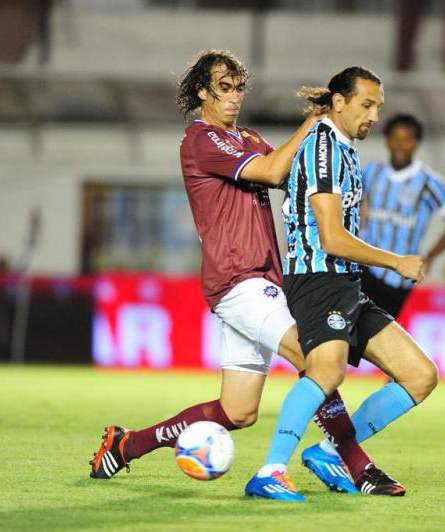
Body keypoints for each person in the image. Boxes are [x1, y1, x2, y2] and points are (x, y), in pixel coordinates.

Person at [89, 50, 384, 496]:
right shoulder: (201, 140)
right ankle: (355, 465)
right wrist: (313, 120)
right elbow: (270, 170)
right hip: (239, 280)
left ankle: (127, 444)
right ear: (203, 93)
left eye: (238, 89)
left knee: (239, 410)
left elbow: (291, 171)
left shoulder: (245, 136)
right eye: (223, 90)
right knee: (314, 358)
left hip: (263, 280)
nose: (233, 99)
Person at [245, 66, 439, 502]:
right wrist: (396, 262)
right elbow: (330, 238)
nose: (373, 115)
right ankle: (270, 470)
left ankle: (331, 450)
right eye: (366, 104)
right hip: (316, 280)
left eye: (378, 107)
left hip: (346, 283)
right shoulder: (323, 149)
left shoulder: (346, 148)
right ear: (339, 102)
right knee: (326, 371)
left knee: (420, 376)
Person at [360, 113, 445, 318]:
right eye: (395, 138)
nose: (400, 145)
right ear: (387, 140)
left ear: (416, 143)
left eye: (407, 139)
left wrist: (431, 256)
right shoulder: (372, 172)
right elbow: (354, 204)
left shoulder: (428, 182)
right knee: (349, 327)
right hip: (364, 265)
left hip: (397, 277)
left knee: (376, 337)